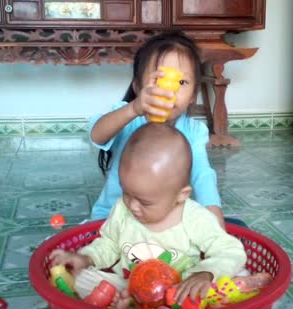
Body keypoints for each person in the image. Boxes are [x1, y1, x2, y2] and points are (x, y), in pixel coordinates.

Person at [51, 123, 247, 309]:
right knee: (80, 277)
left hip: (179, 294)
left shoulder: (195, 218)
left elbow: (230, 251)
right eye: (127, 193)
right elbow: (109, 243)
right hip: (127, 288)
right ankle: (127, 308)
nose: (133, 206)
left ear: (181, 195)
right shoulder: (122, 208)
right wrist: (85, 258)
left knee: (237, 275)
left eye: (145, 202)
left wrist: (204, 274)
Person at [89, 31, 226, 229]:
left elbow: (203, 176)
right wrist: (133, 108)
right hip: (112, 221)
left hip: (162, 224)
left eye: (181, 82)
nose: (169, 90)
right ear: (138, 87)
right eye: (158, 80)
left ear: (192, 95)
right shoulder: (129, 118)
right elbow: (97, 135)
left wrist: (216, 219)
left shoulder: (194, 131)